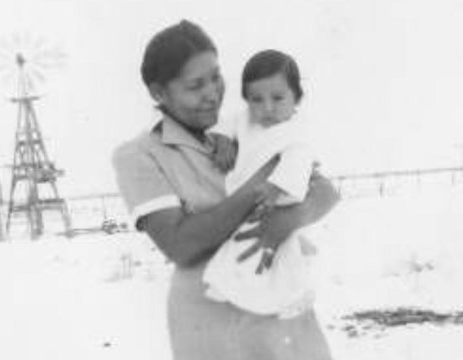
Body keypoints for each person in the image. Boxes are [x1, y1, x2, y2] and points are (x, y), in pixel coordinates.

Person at [112, 20, 339, 360]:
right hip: (214, 320)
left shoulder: (252, 125)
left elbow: (324, 191)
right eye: (195, 85)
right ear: (159, 93)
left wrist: (287, 222)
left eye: (216, 77)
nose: (212, 93)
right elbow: (180, 244)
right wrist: (260, 183)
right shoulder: (140, 155)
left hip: (283, 301)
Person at [203, 49, 321, 320]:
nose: (266, 107)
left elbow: (298, 161)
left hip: (277, 196)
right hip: (248, 196)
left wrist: (276, 188)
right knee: (243, 244)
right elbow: (226, 124)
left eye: (278, 98)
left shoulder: (296, 131)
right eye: (256, 99)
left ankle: (296, 295)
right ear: (246, 100)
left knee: (281, 250)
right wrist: (222, 141)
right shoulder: (244, 119)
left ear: (297, 98)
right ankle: (229, 287)